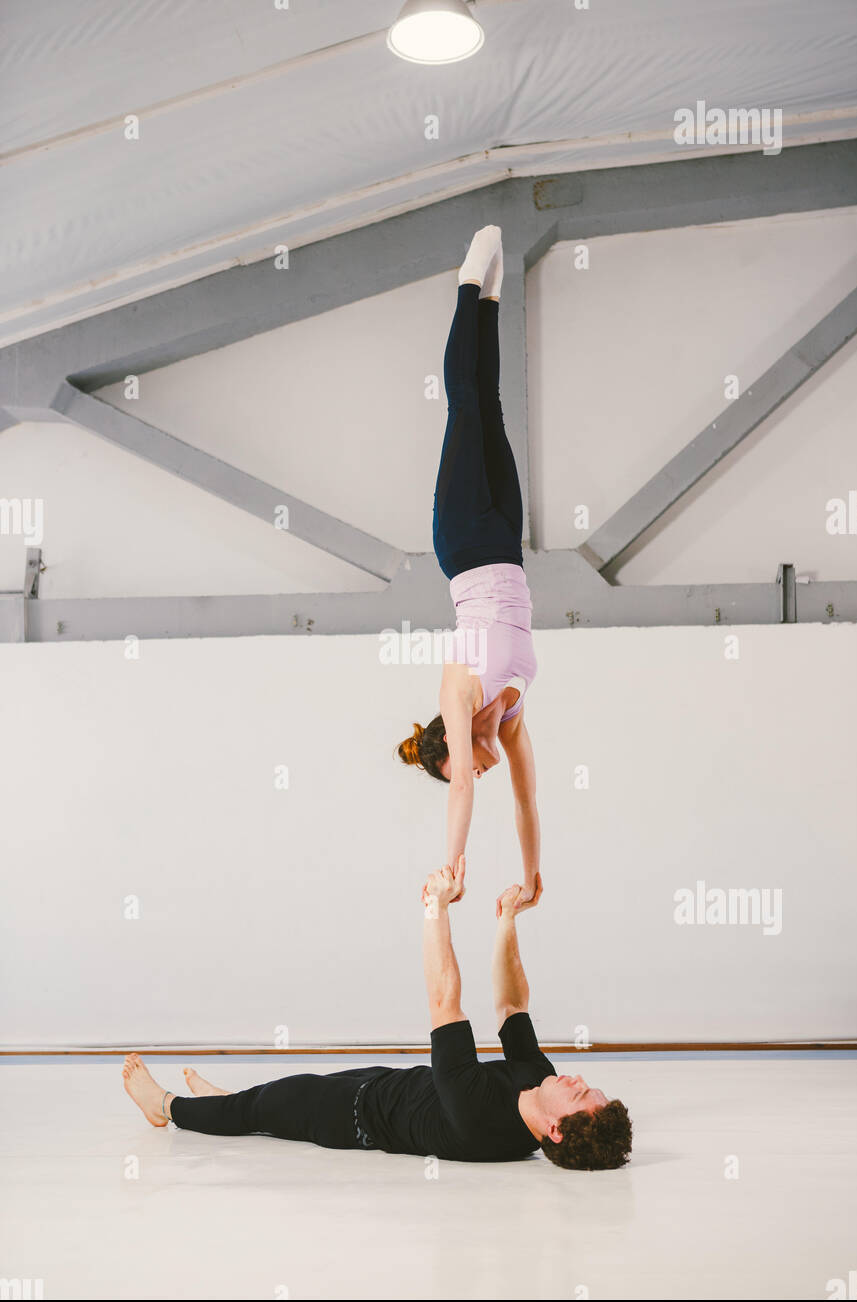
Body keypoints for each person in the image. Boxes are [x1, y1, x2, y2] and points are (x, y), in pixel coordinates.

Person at [121, 859, 632, 1170]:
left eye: (581, 1095)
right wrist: (506, 921)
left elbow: (444, 1003)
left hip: (347, 1116)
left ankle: (163, 1105)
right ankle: (230, 1101)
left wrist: (435, 905)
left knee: (255, 1113)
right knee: (261, 1103)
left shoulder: (481, 1119)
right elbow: (512, 1005)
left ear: (557, 1131)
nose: (579, 1079)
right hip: (390, 1084)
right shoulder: (538, 1081)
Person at [397, 226, 541, 914]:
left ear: (444, 745)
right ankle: (488, 307)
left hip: (461, 541)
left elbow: (464, 792)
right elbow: (525, 795)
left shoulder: (459, 694)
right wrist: (532, 874)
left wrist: (451, 868)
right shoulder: (509, 715)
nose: (477, 770)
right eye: (475, 766)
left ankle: (464, 284)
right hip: (507, 546)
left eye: (464, 765)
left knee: (463, 409)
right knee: (494, 412)